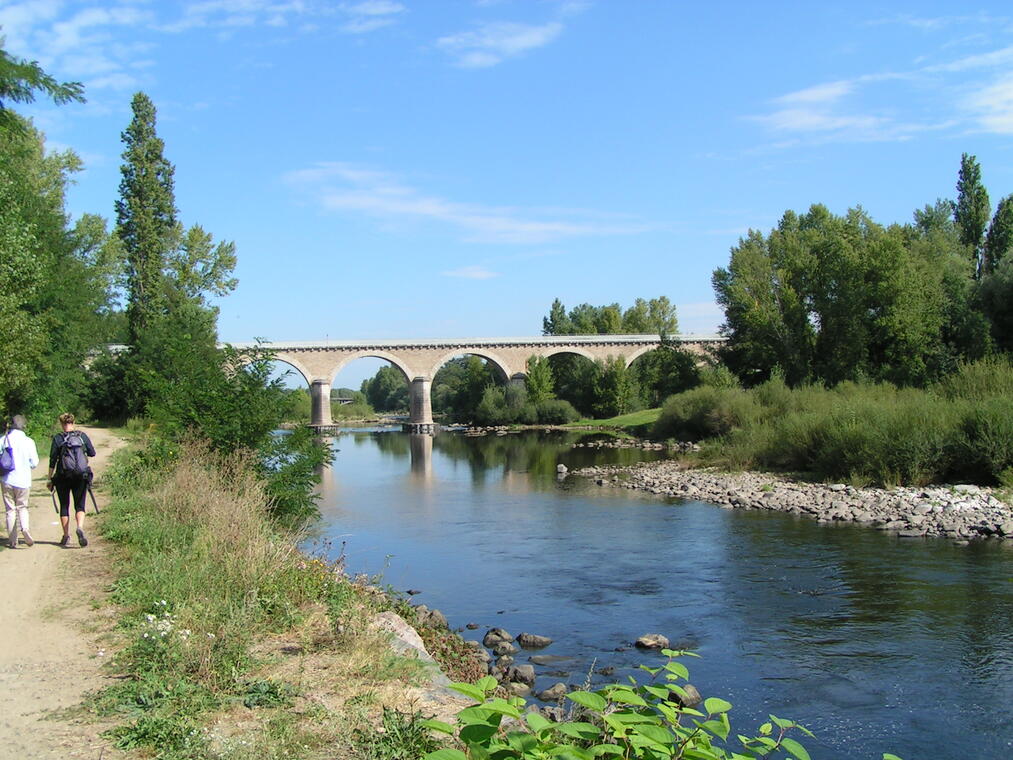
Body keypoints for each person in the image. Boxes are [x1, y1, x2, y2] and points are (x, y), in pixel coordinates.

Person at [47, 413, 96, 548]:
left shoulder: (58, 438)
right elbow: (92, 453)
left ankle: (66, 535)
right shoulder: (82, 436)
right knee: (79, 505)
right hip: (81, 476)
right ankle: (79, 527)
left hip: (63, 476)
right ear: (73, 422)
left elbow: (52, 460)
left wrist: (49, 479)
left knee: (64, 505)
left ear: (62, 424)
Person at [2, 415, 40, 549]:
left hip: (6, 479)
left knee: (10, 510)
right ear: (24, 426)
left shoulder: (3, 440)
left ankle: (12, 540)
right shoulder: (29, 441)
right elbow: (34, 463)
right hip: (23, 480)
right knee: (22, 507)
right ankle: (25, 529)